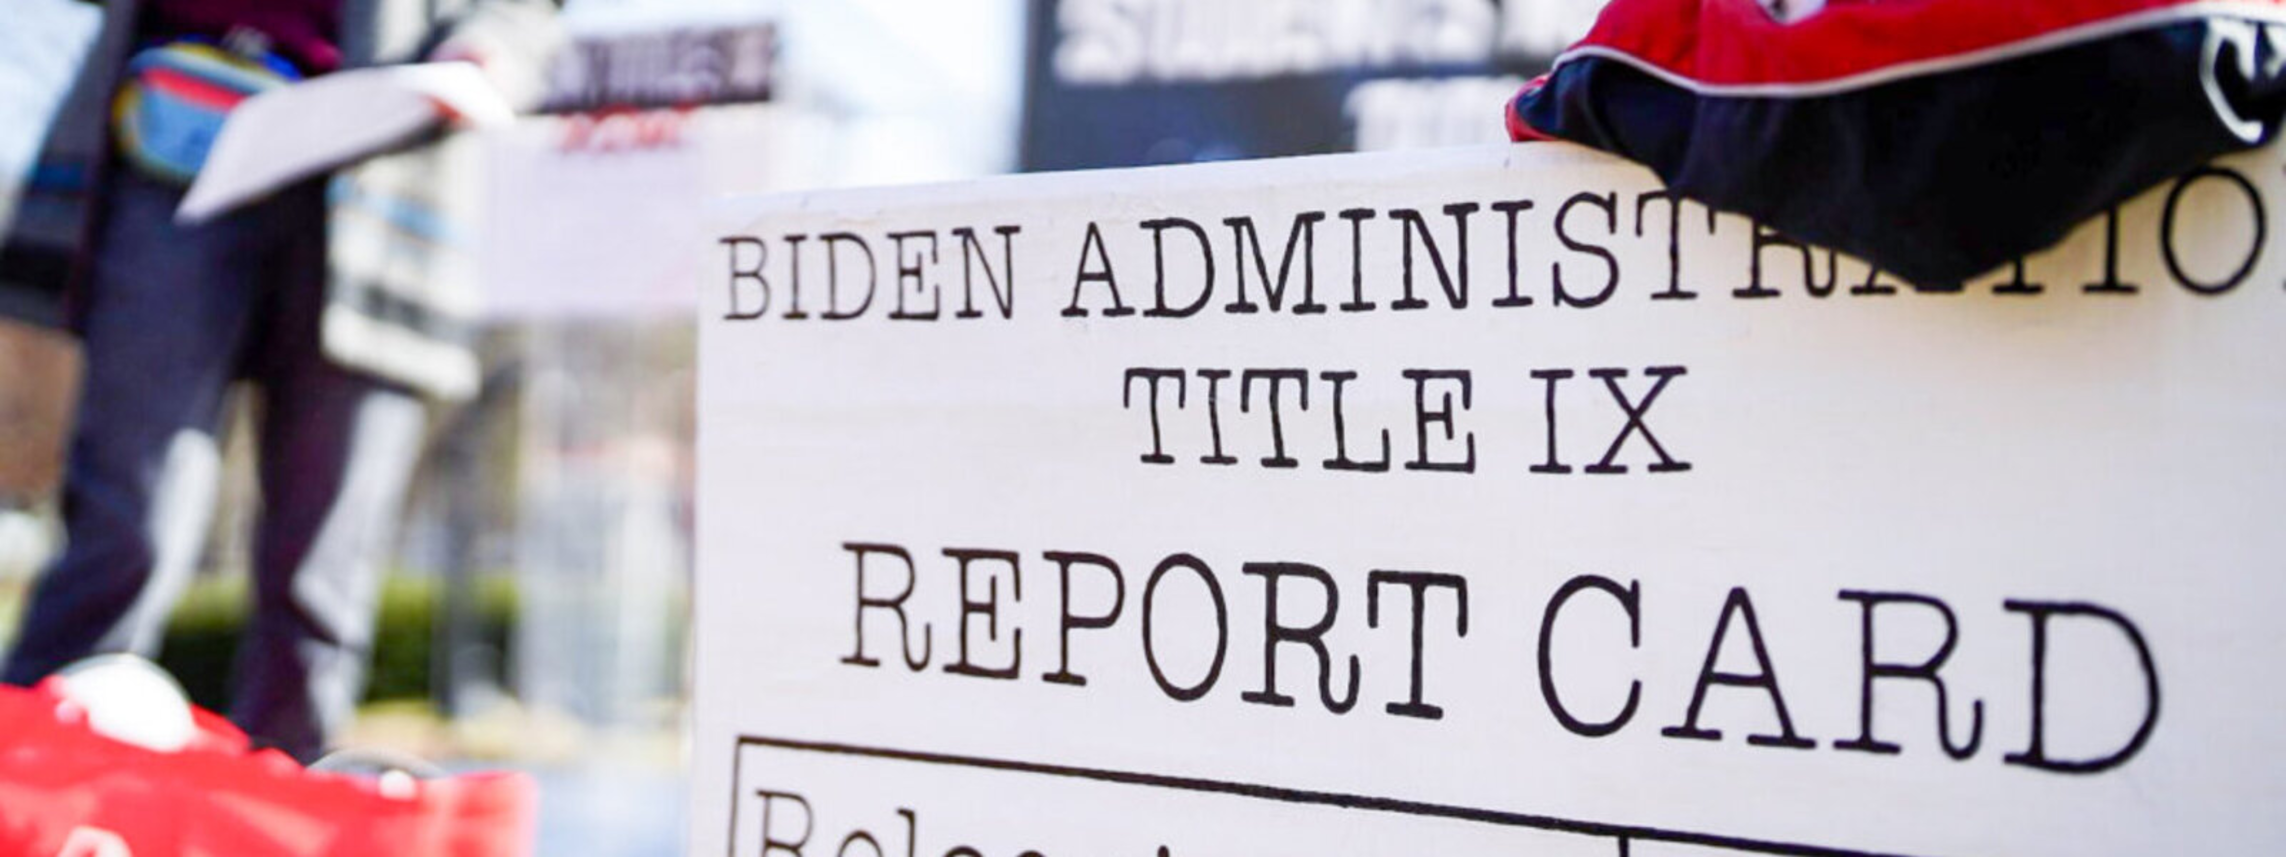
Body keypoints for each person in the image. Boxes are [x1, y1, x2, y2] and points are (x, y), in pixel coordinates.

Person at [0, 0, 557, 762]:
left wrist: (484, 54)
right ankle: (30, 778)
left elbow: (526, 13)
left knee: (323, 571)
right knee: (127, 527)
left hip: (385, 162)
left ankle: (284, 798)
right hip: (172, 135)